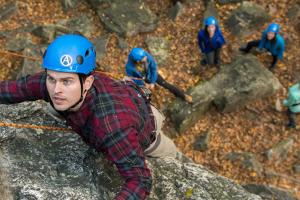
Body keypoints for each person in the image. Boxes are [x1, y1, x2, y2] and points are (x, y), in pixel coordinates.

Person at [0, 34, 180, 200]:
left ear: (87, 82)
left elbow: (140, 180)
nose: (56, 90)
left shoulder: (112, 126)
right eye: (52, 79)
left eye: (66, 81)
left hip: (148, 128)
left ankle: (178, 156)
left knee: (173, 156)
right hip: (122, 99)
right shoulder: (55, 83)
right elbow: (16, 89)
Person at [125, 47, 193, 103]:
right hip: (142, 81)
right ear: (138, 61)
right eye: (144, 58)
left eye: (145, 56)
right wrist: (143, 84)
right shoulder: (129, 67)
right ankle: (149, 106)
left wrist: (153, 82)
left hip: (151, 75)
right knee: (146, 94)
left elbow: (154, 69)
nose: (146, 58)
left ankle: (183, 96)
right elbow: (132, 78)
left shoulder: (146, 55)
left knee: (166, 84)